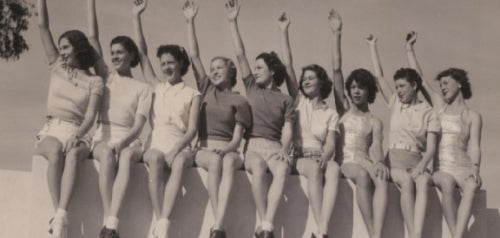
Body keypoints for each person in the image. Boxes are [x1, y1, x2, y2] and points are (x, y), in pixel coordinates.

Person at [225, 1, 295, 237]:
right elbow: (240, 54)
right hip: (253, 146)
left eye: (259, 67)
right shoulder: (252, 87)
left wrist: (285, 149)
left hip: (275, 146)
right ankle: (266, 227)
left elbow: (287, 129)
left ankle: (266, 225)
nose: (254, 71)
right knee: (257, 167)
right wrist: (233, 21)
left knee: (283, 169)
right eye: (254, 68)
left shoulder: (286, 99)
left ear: (272, 70)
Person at [182, 2, 252, 238]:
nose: (213, 71)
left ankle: (218, 227)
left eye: (219, 67)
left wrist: (227, 150)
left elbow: (237, 139)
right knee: (213, 162)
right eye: (212, 68)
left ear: (231, 71)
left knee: (229, 162)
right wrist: (190, 21)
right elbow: (194, 55)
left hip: (228, 149)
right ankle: (219, 225)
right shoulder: (206, 89)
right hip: (204, 148)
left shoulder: (240, 100)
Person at [405, 31, 483, 238]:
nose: (442, 87)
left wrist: (475, 169)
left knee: (472, 184)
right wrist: (409, 49)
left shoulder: (473, 116)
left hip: (463, 166)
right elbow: (419, 80)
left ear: (459, 83)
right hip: (442, 169)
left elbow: (474, 146)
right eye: (441, 85)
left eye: (446, 83)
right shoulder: (439, 106)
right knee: (447, 183)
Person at [35, 0, 103, 237]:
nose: (61, 52)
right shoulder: (57, 66)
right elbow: (43, 26)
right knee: (55, 153)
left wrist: (78, 134)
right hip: (52, 127)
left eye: (65, 47)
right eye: (60, 47)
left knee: (72, 153)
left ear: (77, 48)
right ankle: (59, 217)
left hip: (79, 129)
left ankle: (62, 213)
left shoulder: (95, 81)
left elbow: (91, 115)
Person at [133, 0, 201, 237]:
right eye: (163, 64)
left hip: (180, 143)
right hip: (156, 141)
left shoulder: (193, 94)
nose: (166, 67)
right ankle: (163, 222)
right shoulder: (157, 86)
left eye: (170, 62)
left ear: (181, 64)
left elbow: (192, 130)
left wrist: (176, 150)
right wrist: (137, 17)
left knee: (180, 162)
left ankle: (162, 222)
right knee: (153, 158)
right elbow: (141, 54)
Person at [86, 0, 152, 237]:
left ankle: (110, 223)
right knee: (105, 153)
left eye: (119, 52)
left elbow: (138, 125)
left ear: (131, 55)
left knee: (125, 155)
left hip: (129, 138)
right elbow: (93, 38)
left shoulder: (143, 87)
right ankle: (110, 220)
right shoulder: (106, 76)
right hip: (103, 134)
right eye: (111, 52)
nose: (113, 56)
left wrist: (123, 142)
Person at [366, 34, 439, 238]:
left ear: (414, 86)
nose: (397, 91)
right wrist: (372, 46)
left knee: (424, 182)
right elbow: (379, 77)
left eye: (402, 86)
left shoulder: (429, 111)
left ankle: (417, 233)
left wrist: (421, 167)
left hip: (418, 160)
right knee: (406, 181)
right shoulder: (396, 103)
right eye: (396, 86)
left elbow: (431, 148)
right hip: (395, 161)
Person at [278, 12, 340, 238]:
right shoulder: (299, 101)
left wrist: (325, 157)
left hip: (320, 156)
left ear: (321, 82)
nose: (305, 81)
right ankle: (321, 228)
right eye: (304, 78)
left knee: (333, 168)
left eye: (310, 78)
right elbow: (287, 66)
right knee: (315, 169)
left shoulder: (331, 113)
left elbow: (331, 144)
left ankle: (321, 229)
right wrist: (284, 31)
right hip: (299, 157)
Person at [328, 10, 389, 238]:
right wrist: (337, 34)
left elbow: (376, 147)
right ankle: (374, 234)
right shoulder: (342, 109)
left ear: (369, 91)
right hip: (346, 162)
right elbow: (336, 70)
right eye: (352, 86)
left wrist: (380, 162)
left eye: (360, 87)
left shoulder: (375, 121)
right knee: (363, 176)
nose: (355, 91)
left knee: (382, 178)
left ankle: (378, 232)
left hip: (365, 160)